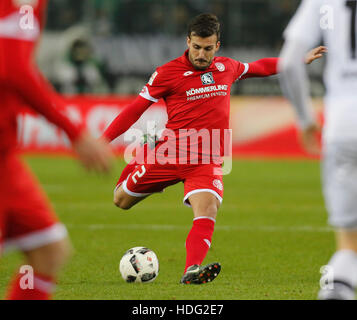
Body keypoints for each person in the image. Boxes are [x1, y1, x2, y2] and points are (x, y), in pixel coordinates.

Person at [103, 13, 323, 285]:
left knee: (207, 210)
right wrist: (102, 142)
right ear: (188, 41)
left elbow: (260, 67)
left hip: (206, 160)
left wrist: (296, 60)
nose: (201, 54)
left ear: (217, 45)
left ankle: (192, 269)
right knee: (120, 201)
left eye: (207, 48)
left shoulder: (227, 68)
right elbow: (133, 111)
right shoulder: (166, 73)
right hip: (168, 155)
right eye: (196, 47)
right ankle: (144, 157)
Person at [0, 0, 113, 300]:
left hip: (4, 160)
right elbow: (13, 70)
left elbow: (20, 69)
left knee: (48, 251)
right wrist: (74, 131)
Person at [279, 0, 357, 300]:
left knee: (349, 245)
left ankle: (337, 289)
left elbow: (288, 63)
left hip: (342, 128)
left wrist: (305, 119)